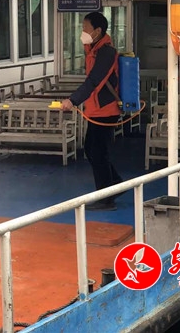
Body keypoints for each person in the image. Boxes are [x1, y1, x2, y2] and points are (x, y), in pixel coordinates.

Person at [61, 11, 123, 211]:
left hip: (106, 110)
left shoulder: (106, 53)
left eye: (85, 28)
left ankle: (106, 198)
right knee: (92, 149)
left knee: (98, 152)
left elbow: (95, 80)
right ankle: (115, 184)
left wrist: (73, 100)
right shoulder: (93, 50)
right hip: (96, 110)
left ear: (97, 31)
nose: (83, 32)